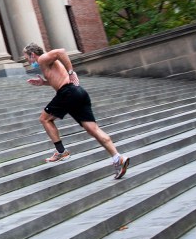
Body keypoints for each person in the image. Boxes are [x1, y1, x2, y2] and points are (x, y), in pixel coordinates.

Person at [23, 42, 130, 179]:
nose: (29, 62)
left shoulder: (43, 58)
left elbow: (60, 51)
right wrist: (43, 83)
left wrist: (71, 72)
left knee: (44, 119)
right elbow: (57, 78)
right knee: (93, 129)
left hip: (67, 92)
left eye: (27, 59)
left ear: (33, 54)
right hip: (78, 92)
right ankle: (118, 158)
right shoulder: (47, 64)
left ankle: (61, 151)